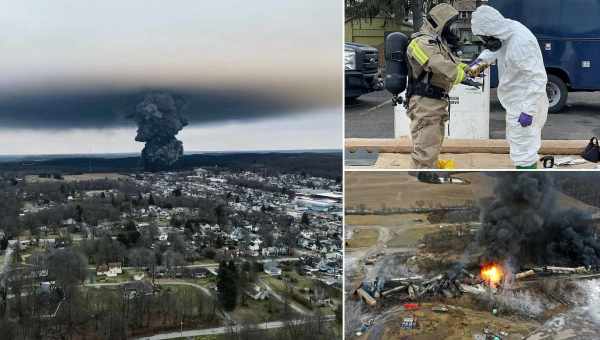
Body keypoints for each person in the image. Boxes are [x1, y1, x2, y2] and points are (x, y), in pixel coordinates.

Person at [469, 5, 549, 169]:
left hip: (526, 101)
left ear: (493, 32)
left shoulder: (520, 44)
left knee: (523, 151)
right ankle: (526, 183)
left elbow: (538, 78)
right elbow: (495, 49)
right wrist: (479, 64)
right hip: (516, 99)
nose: (486, 43)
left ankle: (527, 187)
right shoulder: (505, 29)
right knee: (519, 145)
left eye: (486, 39)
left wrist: (528, 110)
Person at [405, 3, 467, 169]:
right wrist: (459, 74)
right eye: (449, 24)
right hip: (425, 102)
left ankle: (427, 177)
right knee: (425, 152)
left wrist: (467, 69)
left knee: (432, 145)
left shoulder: (437, 43)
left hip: (435, 103)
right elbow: (436, 63)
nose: (452, 29)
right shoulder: (420, 42)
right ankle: (419, 189)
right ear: (439, 23)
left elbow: (451, 62)